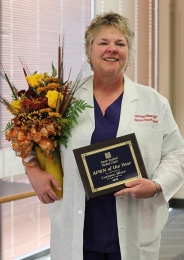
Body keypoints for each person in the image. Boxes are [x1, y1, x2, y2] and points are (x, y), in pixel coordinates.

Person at [26, 12, 184, 260]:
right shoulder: (61, 100)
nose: (112, 49)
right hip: (78, 231)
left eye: (120, 43)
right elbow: (29, 138)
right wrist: (32, 170)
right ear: (89, 52)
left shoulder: (153, 101)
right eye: (103, 43)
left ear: (128, 53)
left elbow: (176, 153)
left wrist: (156, 186)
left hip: (133, 229)